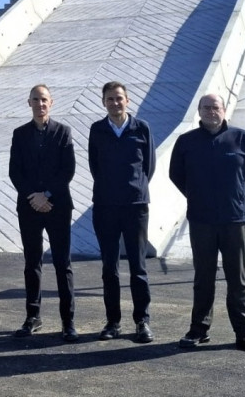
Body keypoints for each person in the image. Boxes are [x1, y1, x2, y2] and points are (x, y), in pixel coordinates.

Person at [169, 93, 245, 353]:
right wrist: (198, 198)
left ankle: (244, 333)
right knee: (203, 277)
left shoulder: (241, 138)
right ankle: (199, 329)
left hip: (235, 221)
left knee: (237, 279)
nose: (211, 111)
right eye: (206, 107)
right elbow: (176, 175)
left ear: (224, 110)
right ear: (199, 111)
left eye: (215, 107)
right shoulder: (186, 142)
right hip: (202, 221)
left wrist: (239, 198)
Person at [88, 81, 156, 343]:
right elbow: (95, 166)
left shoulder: (142, 128)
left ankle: (142, 321)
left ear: (127, 100)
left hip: (135, 206)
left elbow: (148, 166)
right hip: (105, 206)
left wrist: (134, 188)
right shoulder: (97, 130)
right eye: (110, 99)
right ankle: (112, 322)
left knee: (138, 267)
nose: (115, 103)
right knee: (109, 268)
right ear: (103, 102)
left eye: (119, 98)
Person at [9, 85, 78, 342]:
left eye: (44, 100)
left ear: (52, 103)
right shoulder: (20, 134)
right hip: (29, 207)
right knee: (32, 263)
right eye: (35, 100)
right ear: (29, 103)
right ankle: (32, 317)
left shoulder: (63, 132)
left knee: (63, 264)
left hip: (57, 205)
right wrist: (33, 197)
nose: (40, 104)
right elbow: (15, 171)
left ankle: (68, 321)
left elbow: (67, 170)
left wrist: (46, 195)